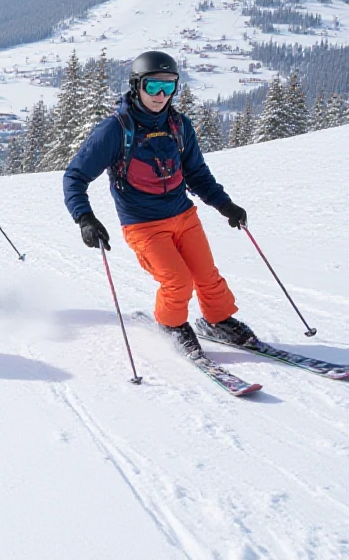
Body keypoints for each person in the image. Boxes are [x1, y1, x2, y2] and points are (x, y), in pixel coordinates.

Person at [63, 51, 253, 355]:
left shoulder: (179, 126)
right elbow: (74, 177)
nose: (161, 95)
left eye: (169, 86)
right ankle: (172, 325)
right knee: (178, 281)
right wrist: (84, 217)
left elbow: (198, 174)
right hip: (143, 225)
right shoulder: (115, 129)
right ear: (137, 85)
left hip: (183, 215)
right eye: (153, 86)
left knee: (206, 275)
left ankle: (218, 321)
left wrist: (224, 204)